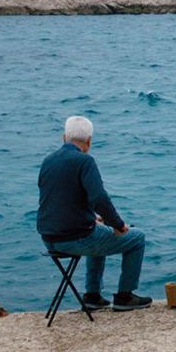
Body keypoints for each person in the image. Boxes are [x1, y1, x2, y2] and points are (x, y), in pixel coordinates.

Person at [37, 116, 152, 311]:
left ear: (63, 137)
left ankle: (93, 296)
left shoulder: (48, 161)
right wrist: (118, 225)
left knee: (97, 229)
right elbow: (99, 198)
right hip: (75, 238)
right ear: (89, 141)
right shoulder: (84, 161)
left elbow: (60, 200)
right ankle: (125, 296)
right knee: (137, 238)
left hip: (49, 238)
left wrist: (94, 218)